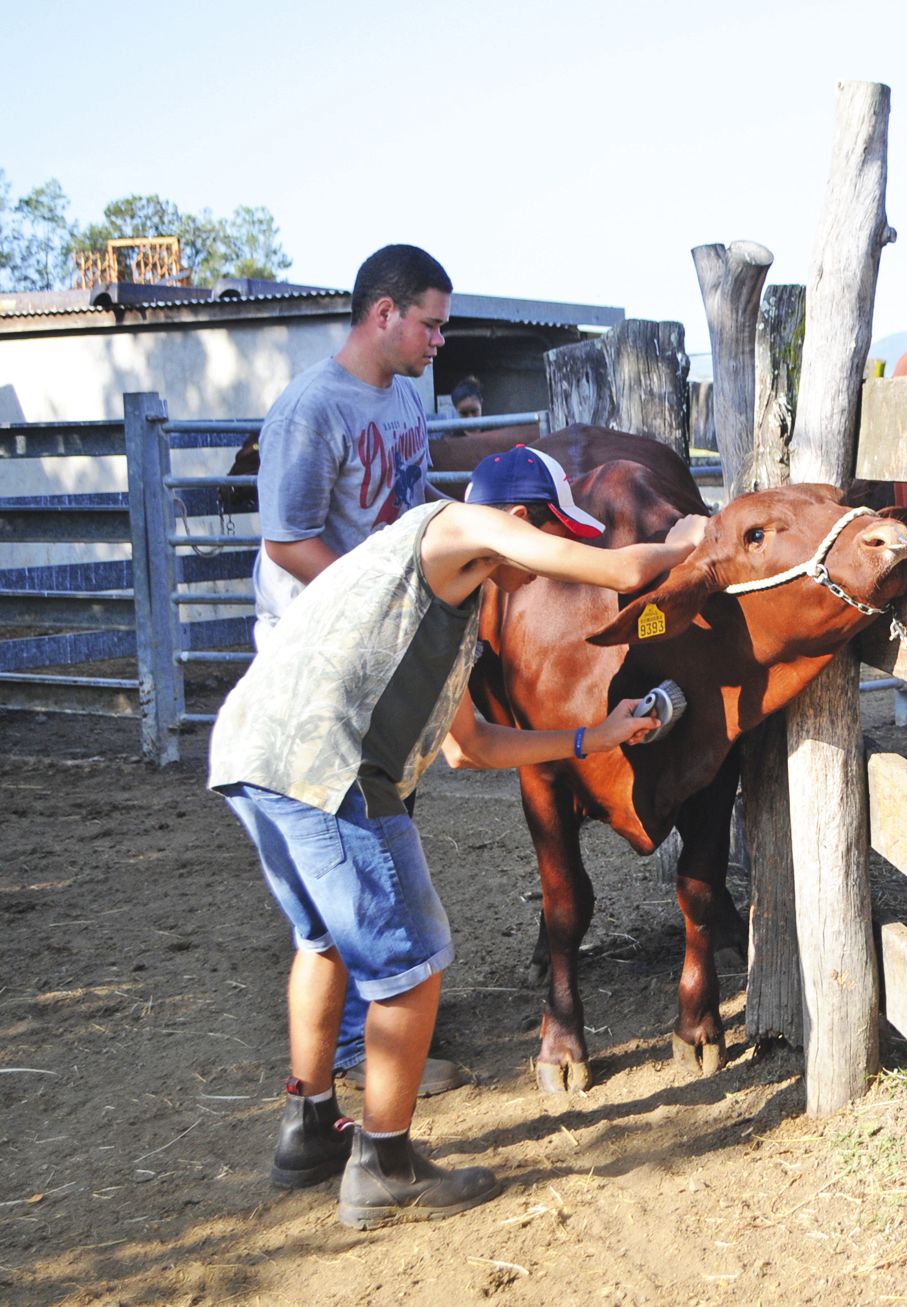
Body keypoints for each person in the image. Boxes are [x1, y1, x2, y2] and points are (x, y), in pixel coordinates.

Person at [211, 445, 709, 1227]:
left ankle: (307, 1128)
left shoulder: (445, 610)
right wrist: (688, 543)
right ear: (517, 521)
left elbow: (470, 746)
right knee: (410, 965)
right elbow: (615, 573)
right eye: (549, 535)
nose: (548, 571)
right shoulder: (455, 525)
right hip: (327, 765)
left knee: (325, 943)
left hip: (254, 752)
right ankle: (384, 1163)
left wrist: (591, 736)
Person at [253, 243, 466, 1095]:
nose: (438, 341)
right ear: (385, 313)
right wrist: (380, 595)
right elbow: (287, 537)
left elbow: (407, 509)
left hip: (377, 656)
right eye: (431, 323)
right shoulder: (311, 409)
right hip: (317, 663)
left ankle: (377, 1023)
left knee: (383, 831)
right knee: (348, 850)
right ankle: (355, 1049)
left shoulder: (406, 402)